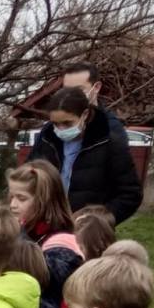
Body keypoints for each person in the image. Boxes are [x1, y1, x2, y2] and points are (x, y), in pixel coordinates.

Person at [29, 70, 143, 222]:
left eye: (67, 123)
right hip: (45, 224)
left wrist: (94, 221)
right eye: (56, 123)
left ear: (84, 115)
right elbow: (28, 177)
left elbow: (130, 195)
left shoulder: (109, 140)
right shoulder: (47, 137)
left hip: (86, 229)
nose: (61, 129)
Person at [8, 158, 84, 306]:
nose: (12, 205)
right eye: (11, 197)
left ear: (44, 201)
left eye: (21, 198)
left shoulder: (61, 244)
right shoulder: (24, 229)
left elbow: (47, 281)